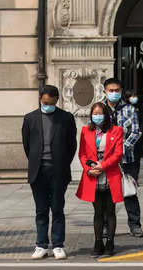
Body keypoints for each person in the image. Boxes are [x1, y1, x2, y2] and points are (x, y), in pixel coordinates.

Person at [21, 84, 77, 260]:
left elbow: (71, 145)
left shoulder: (66, 118)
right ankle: (41, 245)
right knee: (41, 210)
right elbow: (27, 144)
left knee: (58, 209)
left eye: (51, 102)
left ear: (57, 100)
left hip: (58, 170)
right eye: (45, 102)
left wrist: (62, 163)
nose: (48, 105)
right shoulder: (30, 118)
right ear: (40, 99)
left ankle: (58, 245)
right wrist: (36, 160)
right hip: (38, 170)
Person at [76, 103, 123, 257]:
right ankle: (98, 242)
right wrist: (88, 168)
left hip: (110, 174)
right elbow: (82, 153)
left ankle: (110, 243)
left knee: (110, 211)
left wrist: (102, 166)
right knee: (97, 211)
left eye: (100, 113)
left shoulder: (116, 131)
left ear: (106, 115)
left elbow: (118, 154)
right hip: (92, 176)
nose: (97, 116)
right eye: (94, 113)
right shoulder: (85, 131)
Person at [103, 78, 143, 237]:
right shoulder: (100, 109)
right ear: (105, 91)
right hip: (106, 160)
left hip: (128, 158)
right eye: (111, 90)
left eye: (117, 90)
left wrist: (121, 149)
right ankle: (106, 226)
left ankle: (135, 225)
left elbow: (135, 132)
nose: (114, 93)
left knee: (130, 192)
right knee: (107, 194)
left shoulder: (130, 109)